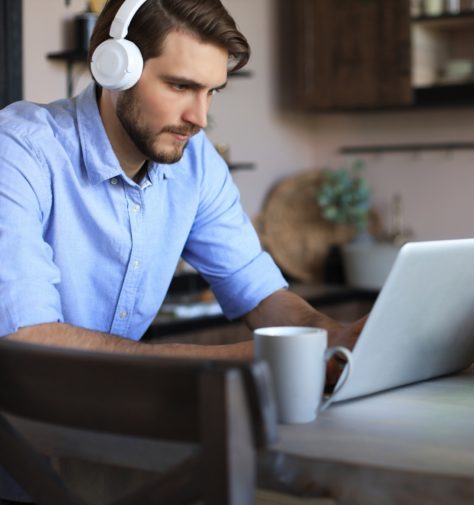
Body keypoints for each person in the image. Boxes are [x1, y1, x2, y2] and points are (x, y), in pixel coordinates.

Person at [0, 0, 365, 501]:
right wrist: (275, 359)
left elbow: (261, 294)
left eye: (212, 92)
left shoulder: (195, 165)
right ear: (114, 68)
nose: (200, 117)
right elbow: (28, 340)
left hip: (108, 443)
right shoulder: (18, 150)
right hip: (17, 456)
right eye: (180, 86)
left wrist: (335, 337)